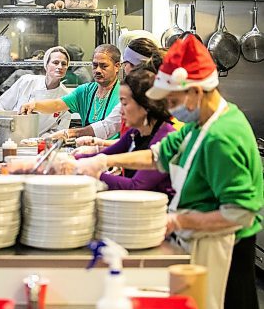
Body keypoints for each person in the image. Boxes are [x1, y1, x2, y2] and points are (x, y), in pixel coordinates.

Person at [74, 35, 263, 309]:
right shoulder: (201, 123)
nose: (168, 109)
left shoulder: (222, 137)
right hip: (202, 239)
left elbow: (238, 213)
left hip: (227, 248)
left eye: (172, 101)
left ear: (195, 93)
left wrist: (178, 222)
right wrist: (100, 162)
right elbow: (158, 154)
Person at [72, 65, 175, 197]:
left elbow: (137, 186)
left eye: (125, 104)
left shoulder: (165, 138)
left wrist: (92, 173)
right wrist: (66, 160)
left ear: (146, 105)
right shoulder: (134, 134)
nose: (121, 111)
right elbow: (103, 155)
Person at [0, 46, 72, 151]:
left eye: (64, 64)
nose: (60, 67)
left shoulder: (67, 97)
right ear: (46, 65)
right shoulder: (26, 81)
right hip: (8, 141)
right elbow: (2, 106)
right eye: (55, 62)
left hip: (37, 147)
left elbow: (59, 130)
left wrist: (39, 141)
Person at [20, 44, 122, 140]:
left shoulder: (124, 95)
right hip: (85, 148)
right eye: (95, 65)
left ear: (117, 66)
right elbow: (57, 105)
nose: (98, 70)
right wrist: (34, 105)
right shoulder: (85, 91)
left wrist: (71, 133)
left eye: (104, 66)